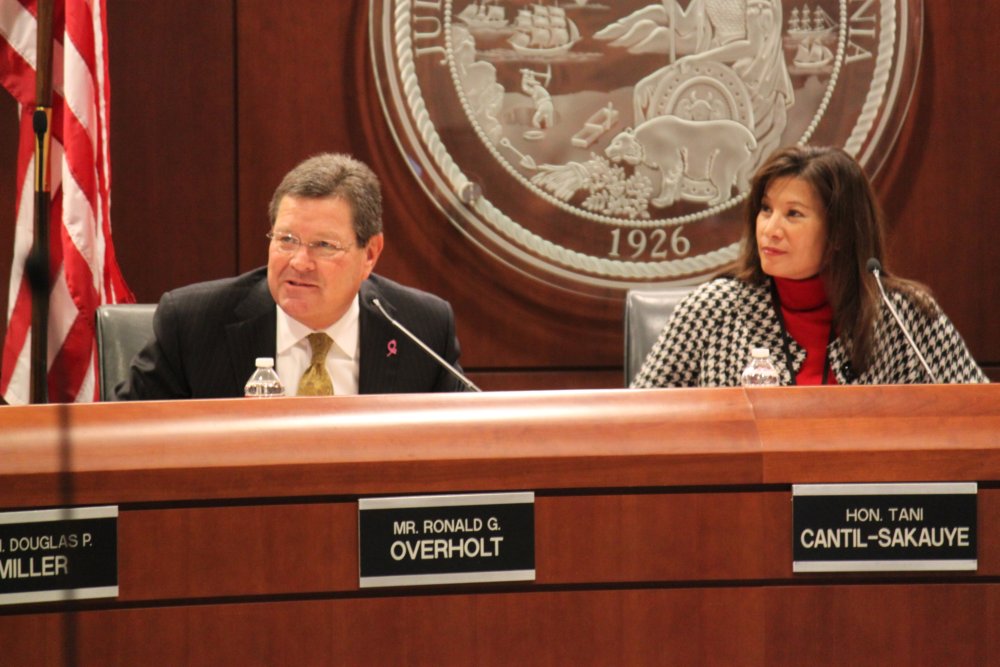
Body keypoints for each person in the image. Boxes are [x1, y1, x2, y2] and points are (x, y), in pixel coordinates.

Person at [116, 153, 469, 399]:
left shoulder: (421, 330)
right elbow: (120, 441)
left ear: (370, 254)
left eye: (324, 245)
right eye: (287, 240)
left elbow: (466, 451)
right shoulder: (193, 325)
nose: (299, 262)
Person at [632, 145, 988, 387]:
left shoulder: (905, 316)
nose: (770, 229)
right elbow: (637, 423)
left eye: (793, 215)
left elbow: (979, 419)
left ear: (838, 232)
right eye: (766, 209)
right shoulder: (712, 310)